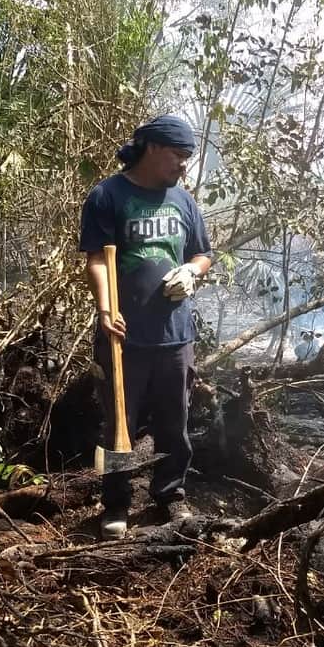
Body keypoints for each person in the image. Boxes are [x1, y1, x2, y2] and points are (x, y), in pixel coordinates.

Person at [79, 115, 213, 538]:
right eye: (177, 155)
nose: (182, 165)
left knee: (175, 420)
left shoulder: (184, 202)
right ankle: (115, 503)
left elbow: (203, 254)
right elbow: (97, 258)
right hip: (123, 336)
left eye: (186, 158)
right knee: (118, 423)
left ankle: (171, 495)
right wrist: (105, 310)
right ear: (153, 148)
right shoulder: (108, 195)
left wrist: (192, 272)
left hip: (175, 336)